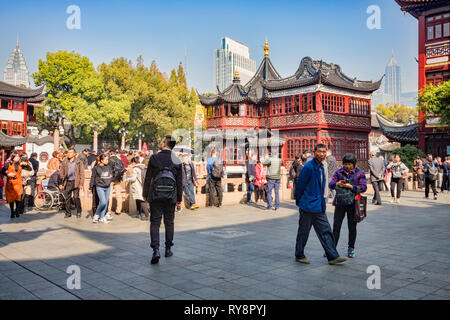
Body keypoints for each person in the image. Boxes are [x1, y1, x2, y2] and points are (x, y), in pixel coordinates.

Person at [294, 144, 347, 265]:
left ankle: (332, 256)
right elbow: (300, 185)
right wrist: (299, 201)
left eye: (324, 152)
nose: (322, 154)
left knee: (326, 230)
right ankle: (299, 254)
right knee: (304, 232)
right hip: (307, 205)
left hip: (318, 205)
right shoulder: (308, 167)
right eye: (319, 151)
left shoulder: (321, 166)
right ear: (314, 152)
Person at [143, 135, 183, 264]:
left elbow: (148, 178)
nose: (160, 142)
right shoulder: (177, 160)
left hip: (156, 195)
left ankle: (155, 250)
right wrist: (179, 199)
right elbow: (179, 181)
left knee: (155, 222)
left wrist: (145, 194)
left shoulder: (154, 157)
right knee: (169, 222)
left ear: (165, 143)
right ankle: (168, 249)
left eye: (161, 141)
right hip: (171, 196)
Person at [329, 153, 367, 258]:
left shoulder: (359, 173)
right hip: (340, 203)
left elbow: (363, 187)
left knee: (352, 227)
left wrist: (352, 187)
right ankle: (332, 248)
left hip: (353, 204)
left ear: (354, 164)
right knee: (336, 226)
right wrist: (337, 184)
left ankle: (351, 248)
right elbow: (330, 184)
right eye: (345, 164)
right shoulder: (338, 172)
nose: (347, 166)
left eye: (349, 164)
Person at [59, 148, 85, 218]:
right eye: (68, 152)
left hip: (76, 182)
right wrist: (61, 182)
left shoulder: (79, 162)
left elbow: (82, 173)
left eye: (70, 153)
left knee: (76, 197)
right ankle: (68, 213)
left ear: (74, 154)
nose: (68, 154)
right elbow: (61, 172)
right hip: (67, 182)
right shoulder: (64, 162)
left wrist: (81, 183)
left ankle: (79, 211)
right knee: (67, 198)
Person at [90, 153, 113, 224]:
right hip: (100, 187)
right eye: (106, 159)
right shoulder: (96, 168)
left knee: (106, 203)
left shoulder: (108, 167)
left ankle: (102, 217)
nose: (107, 161)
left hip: (107, 187)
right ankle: (97, 215)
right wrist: (90, 186)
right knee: (103, 202)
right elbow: (93, 177)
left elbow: (111, 175)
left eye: (108, 159)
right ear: (101, 160)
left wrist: (109, 180)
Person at [5, 152, 23, 218]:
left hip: (18, 182)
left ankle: (17, 210)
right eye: (16, 156)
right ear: (13, 157)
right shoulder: (8, 163)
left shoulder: (20, 164)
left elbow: (29, 168)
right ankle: (12, 211)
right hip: (11, 183)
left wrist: (26, 163)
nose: (18, 157)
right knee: (11, 198)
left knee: (18, 197)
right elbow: (2, 171)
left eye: (18, 156)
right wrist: (7, 174)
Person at [107, 151, 126, 216]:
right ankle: (118, 210)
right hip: (118, 179)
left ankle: (108, 210)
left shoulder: (109, 160)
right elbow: (123, 169)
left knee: (109, 195)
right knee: (119, 194)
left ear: (110, 154)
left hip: (110, 179)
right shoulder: (119, 160)